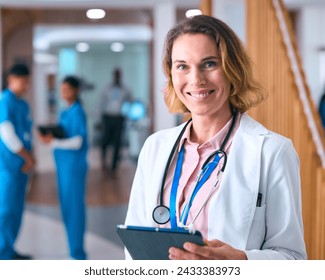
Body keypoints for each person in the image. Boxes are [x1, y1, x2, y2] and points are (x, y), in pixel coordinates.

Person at [124, 15, 307, 260]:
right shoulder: (154, 147)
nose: (196, 79)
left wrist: (242, 261)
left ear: (233, 69)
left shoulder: (273, 151)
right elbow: (134, 245)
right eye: (182, 66)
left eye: (209, 64)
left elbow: (293, 258)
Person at [38, 76, 88, 260]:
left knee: (74, 208)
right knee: (67, 206)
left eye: (67, 89)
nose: (64, 93)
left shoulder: (78, 112)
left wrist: (55, 142)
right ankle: (73, 249)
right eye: (62, 89)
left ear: (75, 90)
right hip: (64, 167)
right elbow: (63, 134)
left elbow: (78, 141)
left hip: (74, 168)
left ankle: (78, 252)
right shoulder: (64, 112)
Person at [0, 63, 35, 260]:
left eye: (27, 81)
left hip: (22, 165)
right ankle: (2, 253)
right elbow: (7, 133)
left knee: (16, 210)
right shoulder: (5, 100)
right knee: (5, 211)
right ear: (11, 79)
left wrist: (31, 157)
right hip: (8, 166)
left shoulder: (23, 104)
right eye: (23, 81)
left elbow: (27, 132)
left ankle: (9, 248)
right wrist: (27, 156)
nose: (26, 85)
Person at [99, 68, 131, 172]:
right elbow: (101, 104)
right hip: (108, 117)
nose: (117, 77)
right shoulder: (107, 89)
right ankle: (103, 162)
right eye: (116, 75)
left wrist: (127, 115)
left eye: (119, 75)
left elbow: (130, 102)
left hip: (119, 118)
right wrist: (99, 119)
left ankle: (114, 167)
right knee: (105, 140)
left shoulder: (125, 90)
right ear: (113, 76)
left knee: (117, 142)